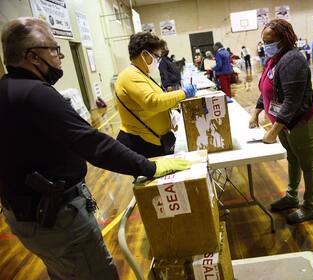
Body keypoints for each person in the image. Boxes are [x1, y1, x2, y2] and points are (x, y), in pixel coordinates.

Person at [0, 17, 191, 280]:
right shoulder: (37, 94)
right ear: (33, 57)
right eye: (54, 50)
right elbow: (93, 144)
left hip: (25, 215)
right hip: (57, 217)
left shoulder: (6, 89)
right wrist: (150, 166)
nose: (60, 57)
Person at [249, 19, 313, 224]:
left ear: (284, 39)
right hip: (283, 121)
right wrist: (255, 113)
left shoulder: (293, 60)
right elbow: (266, 90)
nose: (265, 45)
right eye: (263, 41)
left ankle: (309, 207)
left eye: (269, 41)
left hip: (301, 119)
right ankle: (292, 197)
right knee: (293, 157)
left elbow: (292, 100)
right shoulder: (274, 59)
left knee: (307, 163)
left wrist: (273, 130)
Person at [115, 32, 197, 158]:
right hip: (142, 143)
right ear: (144, 55)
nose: (158, 61)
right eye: (157, 57)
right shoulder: (129, 76)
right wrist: (183, 93)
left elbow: (158, 99)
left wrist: (174, 108)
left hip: (155, 140)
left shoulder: (142, 74)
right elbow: (153, 102)